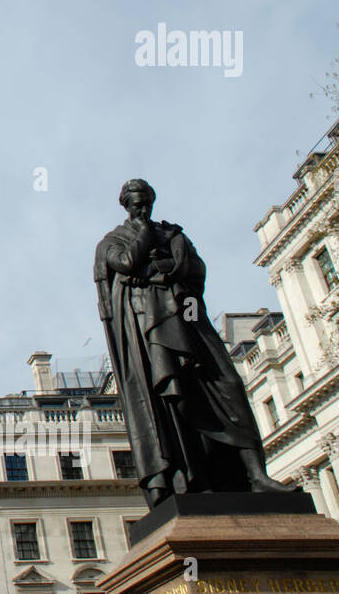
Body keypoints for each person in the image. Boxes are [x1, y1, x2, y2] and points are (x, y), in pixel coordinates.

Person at [94, 179, 295, 507]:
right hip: (148, 327)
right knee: (175, 398)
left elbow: (195, 270)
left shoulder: (174, 234)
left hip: (188, 320)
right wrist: (148, 239)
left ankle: (256, 475)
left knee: (228, 385)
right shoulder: (111, 241)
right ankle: (187, 477)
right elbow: (127, 263)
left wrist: (167, 268)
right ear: (125, 205)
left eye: (145, 201)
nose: (141, 206)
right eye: (135, 202)